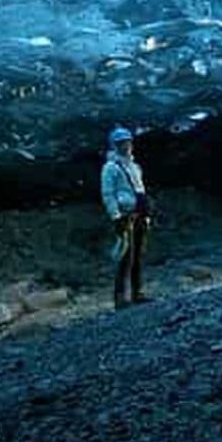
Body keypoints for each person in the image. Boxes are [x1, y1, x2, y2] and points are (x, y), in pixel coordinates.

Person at [101, 126, 152, 309]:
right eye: (121, 142)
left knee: (138, 255)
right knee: (125, 257)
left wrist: (146, 214)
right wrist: (116, 216)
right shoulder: (110, 168)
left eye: (128, 141)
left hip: (139, 215)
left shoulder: (134, 166)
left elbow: (140, 189)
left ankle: (138, 293)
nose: (126, 145)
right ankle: (120, 298)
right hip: (125, 216)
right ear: (114, 145)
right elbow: (108, 194)